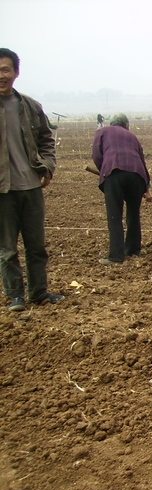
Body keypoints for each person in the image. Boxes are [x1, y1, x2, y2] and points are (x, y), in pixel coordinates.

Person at [0, 48, 64, 311]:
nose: (1, 75)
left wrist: (47, 167)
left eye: (5, 69)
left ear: (16, 72)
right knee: (7, 250)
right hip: (3, 190)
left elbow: (46, 139)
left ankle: (39, 292)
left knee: (36, 247)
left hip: (31, 187)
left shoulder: (30, 106)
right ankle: (15, 295)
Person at [91, 113, 152, 265]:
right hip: (137, 176)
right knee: (133, 213)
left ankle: (116, 256)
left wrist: (104, 170)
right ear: (126, 125)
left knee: (115, 215)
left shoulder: (103, 132)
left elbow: (97, 156)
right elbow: (142, 161)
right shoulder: (132, 136)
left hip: (114, 172)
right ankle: (133, 249)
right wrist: (147, 188)